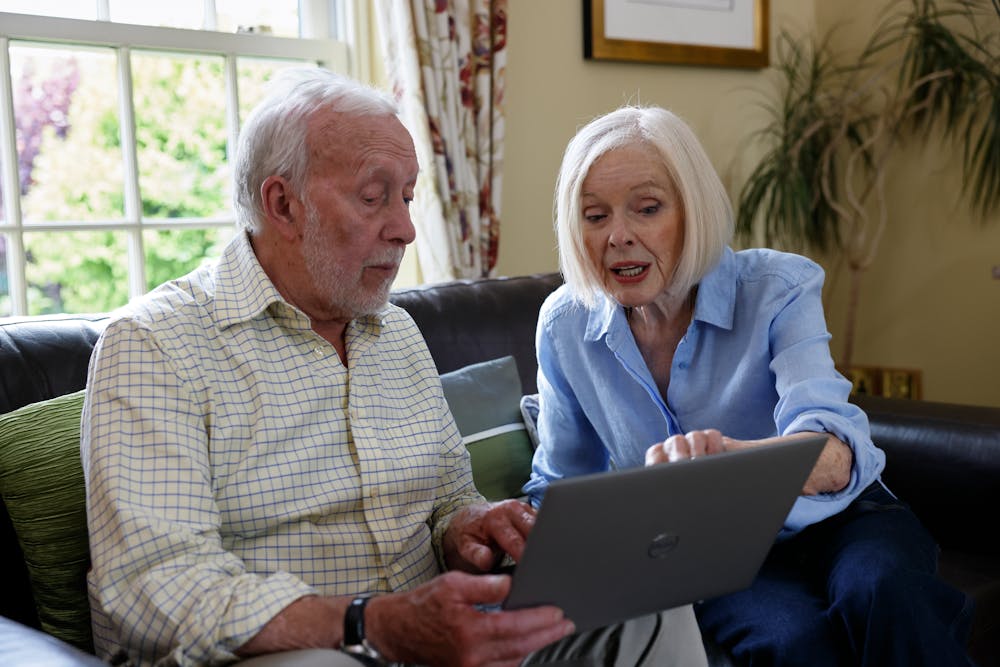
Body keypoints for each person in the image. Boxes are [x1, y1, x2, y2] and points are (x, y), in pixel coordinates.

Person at [80, 69, 706, 667]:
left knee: (647, 605)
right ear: (283, 204)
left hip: (441, 641)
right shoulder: (155, 346)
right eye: (374, 197)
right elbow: (152, 588)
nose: (405, 229)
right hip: (298, 652)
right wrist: (370, 622)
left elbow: (447, 499)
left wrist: (469, 526)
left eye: (407, 198)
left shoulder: (396, 332)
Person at [523, 105, 976, 667]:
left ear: (694, 211)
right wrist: (508, 532)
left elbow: (833, 454)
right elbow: (562, 481)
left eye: (647, 209)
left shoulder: (778, 287)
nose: (619, 236)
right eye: (594, 216)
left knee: (884, 591)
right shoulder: (564, 323)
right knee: (792, 641)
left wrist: (725, 463)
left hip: (842, 519)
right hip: (709, 554)